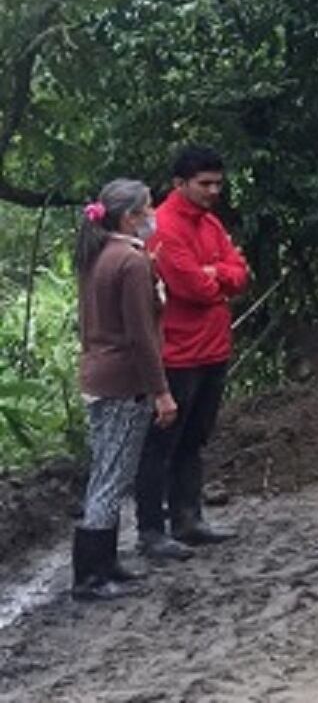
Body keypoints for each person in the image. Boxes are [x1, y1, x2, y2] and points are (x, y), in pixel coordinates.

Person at [135, 145, 248, 559]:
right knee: (161, 444)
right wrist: (219, 276)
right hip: (178, 353)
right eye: (205, 184)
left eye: (218, 183)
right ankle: (151, 530)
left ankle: (188, 517)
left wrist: (216, 273)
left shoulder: (211, 224)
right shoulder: (163, 228)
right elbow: (191, 288)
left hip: (213, 349)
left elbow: (240, 274)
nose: (213, 190)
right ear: (179, 184)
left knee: (194, 440)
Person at [72, 179, 179, 601]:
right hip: (123, 381)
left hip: (98, 373)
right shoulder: (131, 262)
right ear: (130, 215)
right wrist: (161, 391)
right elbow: (141, 336)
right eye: (150, 207)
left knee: (108, 470)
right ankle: (90, 575)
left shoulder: (96, 256)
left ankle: (105, 562)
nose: (154, 214)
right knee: (111, 477)